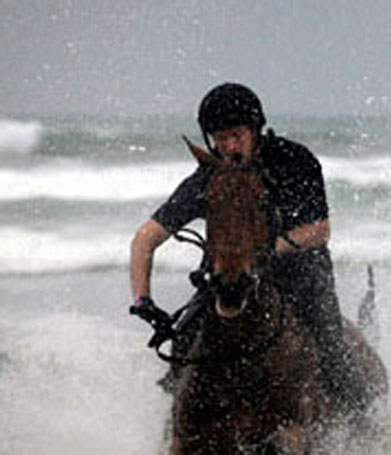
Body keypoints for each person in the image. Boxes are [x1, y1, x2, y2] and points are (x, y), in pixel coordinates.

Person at [129, 82, 369, 409]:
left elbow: (319, 230)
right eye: (220, 138)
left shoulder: (294, 160)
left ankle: (368, 419)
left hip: (300, 275)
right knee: (183, 341)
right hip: (229, 278)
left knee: (331, 348)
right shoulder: (208, 178)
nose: (229, 146)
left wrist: (270, 250)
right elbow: (146, 237)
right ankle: (183, 431)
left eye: (236, 135)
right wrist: (143, 299)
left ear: (255, 130)